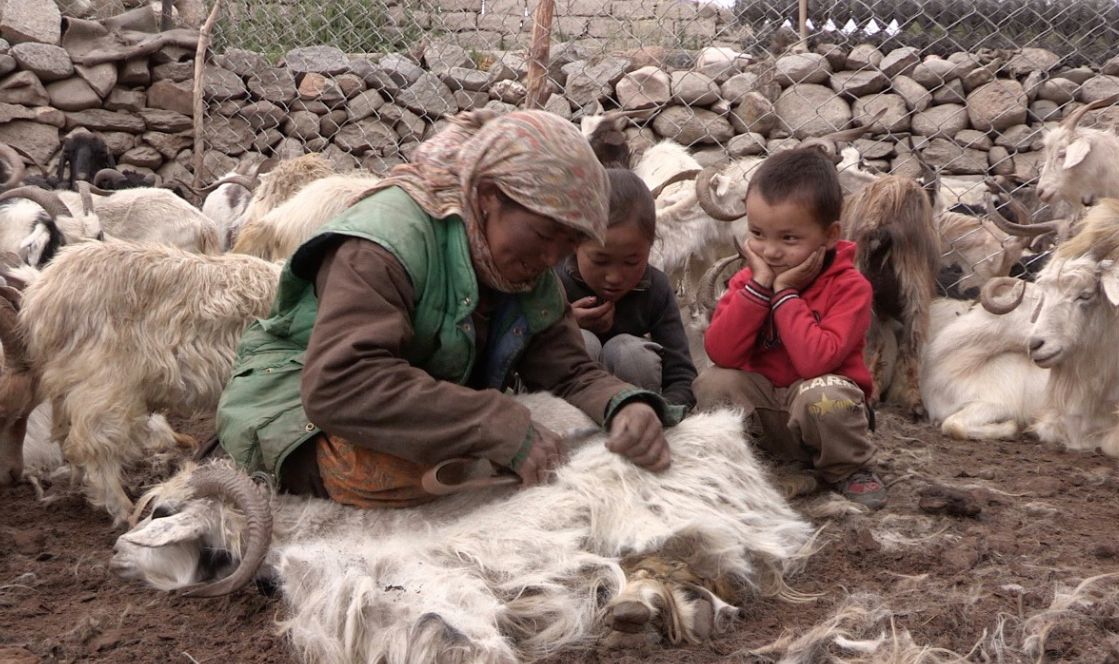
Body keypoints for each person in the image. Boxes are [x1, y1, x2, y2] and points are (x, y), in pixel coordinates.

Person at [215, 110, 682, 508]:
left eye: (569, 245)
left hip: (413, 397)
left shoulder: (522, 265)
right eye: (543, 237)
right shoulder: (384, 242)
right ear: (487, 198)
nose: (550, 261)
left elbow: (569, 369)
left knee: (564, 439)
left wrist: (625, 404)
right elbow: (341, 382)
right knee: (407, 466)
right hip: (296, 404)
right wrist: (494, 423)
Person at [692, 148, 886, 509]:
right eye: (758, 234)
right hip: (767, 410)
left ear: (830, 236)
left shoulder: (850, 287)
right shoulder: (749, 281)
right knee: (712, 381)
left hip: (822, 415)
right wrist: (758, 289)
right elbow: (721, 352)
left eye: (789, 239)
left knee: (823, 394)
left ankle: (848, 468)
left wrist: (783, 295)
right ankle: (752, 458)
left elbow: (816, 362)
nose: (770, 251)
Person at [557, 168, 698, 409]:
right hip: (564, 415)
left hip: (636, 419)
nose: (614, 277)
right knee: (583, 342)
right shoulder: (554, 280)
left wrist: (661, 413)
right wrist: (563, 323)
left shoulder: (656, 288)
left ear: (651, 246)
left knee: (630, 354)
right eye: (600, 261)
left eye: (632, 262)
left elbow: (682, 377)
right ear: (574, 243)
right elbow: (517, 355)